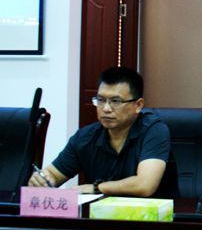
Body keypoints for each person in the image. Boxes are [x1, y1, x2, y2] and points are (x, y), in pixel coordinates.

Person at [28, 66, 177, 197]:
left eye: (116, 101)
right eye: (100, 100)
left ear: (138, 105)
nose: (106, 108)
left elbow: (144, 185)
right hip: (99, 217)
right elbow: (53, 175)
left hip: (151, 217)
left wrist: (96, 188)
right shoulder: (85, 137)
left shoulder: (154, 130)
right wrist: (42, 181)